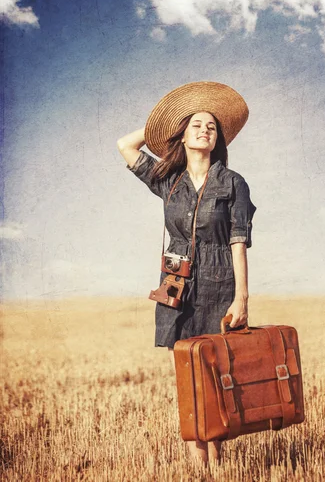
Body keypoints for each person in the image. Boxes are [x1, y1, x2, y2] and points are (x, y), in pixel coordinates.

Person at [117, 81, 256, 466]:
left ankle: (218, 463)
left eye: (211, 126)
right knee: (188, 376)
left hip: (220, 279)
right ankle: (199, 469)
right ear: (182, 133)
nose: (204, 130)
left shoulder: (232, 182)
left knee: (215, 375)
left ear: (218, 139)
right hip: (176, 282)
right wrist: (162, 124)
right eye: (196, 124)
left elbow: (238, 240)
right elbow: (125, 146)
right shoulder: (168, 180)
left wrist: (241, 297)